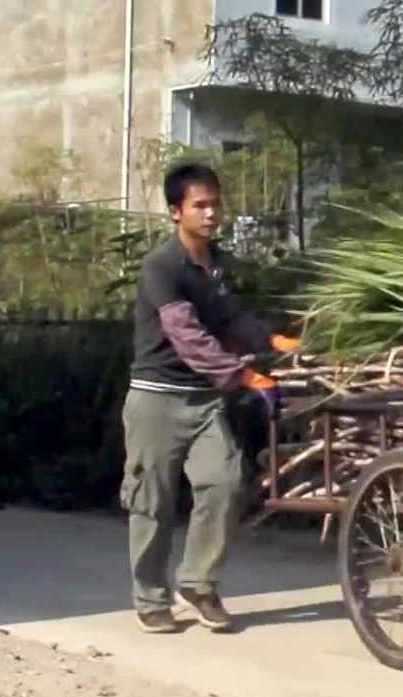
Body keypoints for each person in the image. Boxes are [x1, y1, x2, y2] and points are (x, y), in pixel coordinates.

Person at [120, 162, 300, 634]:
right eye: (200, 205)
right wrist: (244, 377)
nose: (211, 213)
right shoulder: (162, 267)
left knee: (225, 482)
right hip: (156, 400)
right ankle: (151, 597)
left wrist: (271, 341)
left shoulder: (214, 263)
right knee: (151, 502)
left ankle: (199, 583)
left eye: (216, 203)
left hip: (202, 401)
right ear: (176, 211)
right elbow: (188, 336)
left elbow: (227, 321)